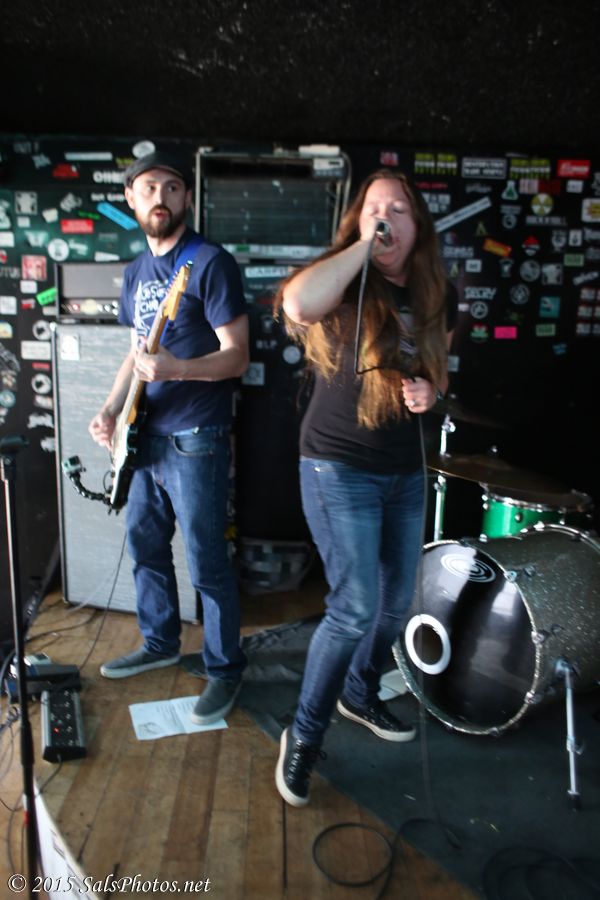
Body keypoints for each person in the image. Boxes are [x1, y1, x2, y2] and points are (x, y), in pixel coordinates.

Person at [274, 168, 456, 806]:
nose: (385, 218)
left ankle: (359, 692)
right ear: (357, 220)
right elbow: (298, 305)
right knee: (353, 608)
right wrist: (360, 244)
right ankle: (303, 733)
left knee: (395, 606)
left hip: (403, 469)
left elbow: (439, 371)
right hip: (338, 465)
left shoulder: (436, 290)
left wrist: (430, 391)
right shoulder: (345, 277)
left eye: (398, 209)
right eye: (373, 208)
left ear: (418, 225)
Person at [88, 150, 249, 725]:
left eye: (172, 187)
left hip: (196, 437)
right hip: (143, 435)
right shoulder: (136, 271)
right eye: (149, 187)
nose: (161, 197)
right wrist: (111, 409)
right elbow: (135, 353)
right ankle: (159, 643)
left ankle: (225, 668)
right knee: (146, 546)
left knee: (206, 561)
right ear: (131, 199)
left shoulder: (209, 263)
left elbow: (237, 356)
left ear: (186, 198)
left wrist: (179, 369)